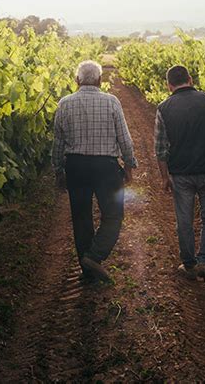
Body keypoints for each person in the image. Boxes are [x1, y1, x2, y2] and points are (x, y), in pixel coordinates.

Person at [52, 60, 137, 282]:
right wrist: (129, 165)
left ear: (77, 80)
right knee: (113, 215)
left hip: (76, 166)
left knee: (81, 218)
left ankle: (87, 270)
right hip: (105, 167)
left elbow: (58, 144)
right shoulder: (111, 102)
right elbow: (124, 138)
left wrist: (59, 170)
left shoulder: (64, 103)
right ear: (100, 80)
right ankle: (95, 257)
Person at [154, 65, 205, 283]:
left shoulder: (164, 107)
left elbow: (160, 149)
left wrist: (164, 177)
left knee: (184, 220)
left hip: (181, 173)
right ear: (190, 79)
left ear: (169, 85)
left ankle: (189, 264)